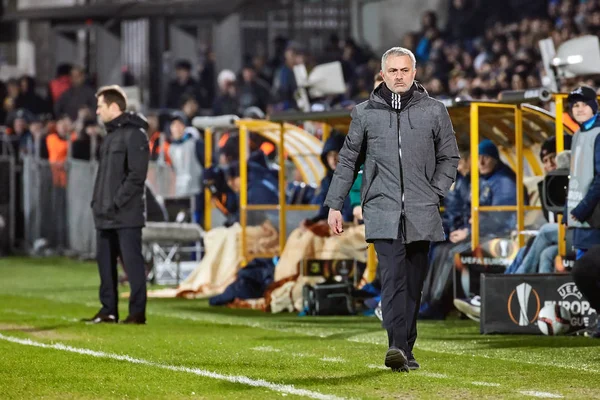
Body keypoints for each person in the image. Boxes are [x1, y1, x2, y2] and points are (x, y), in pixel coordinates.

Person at [325, 47, 459, 372]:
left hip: (422, 210)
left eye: (404, 70)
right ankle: (396, 346)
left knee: (414, 283)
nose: (399, 76)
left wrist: (434, 191)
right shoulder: (364, 113)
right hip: (382, 211)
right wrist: (334, 205)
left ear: (414, 73)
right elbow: (347, 161)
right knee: (393, 278)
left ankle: (406, 349)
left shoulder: (435, 111)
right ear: (383, 75)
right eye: (393, 71)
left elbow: (450, 157)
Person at [85, 85, 150, 325]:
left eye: (100, 106)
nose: (97, 111)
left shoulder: (135, 134)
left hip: (126, 213)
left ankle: (137, 313)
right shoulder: (111, 135)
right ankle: (108, 310)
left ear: (114, 107)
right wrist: (98, 203)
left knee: (132, 264)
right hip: (105, 212)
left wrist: (116, 202)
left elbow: (136, 175)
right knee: (105, 264)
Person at [565, 86, 600, 338]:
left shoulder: (598, 134)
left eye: (584, 103)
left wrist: (582, 209)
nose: (579, 108)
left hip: (593, 216)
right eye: (575, 105)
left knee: (588, 271)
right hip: (579, 218)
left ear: (594, 106)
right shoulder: (578, 134)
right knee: (584, 270)